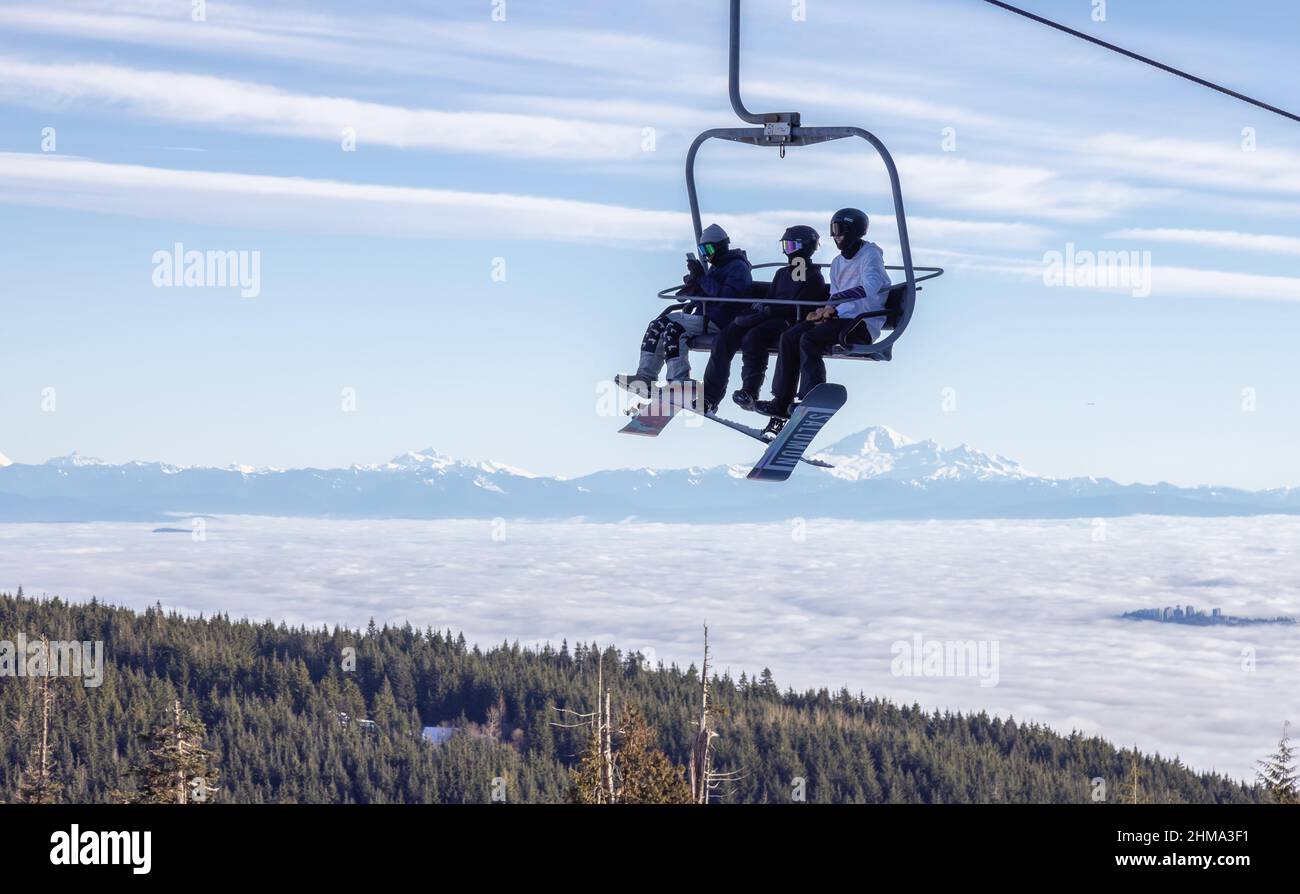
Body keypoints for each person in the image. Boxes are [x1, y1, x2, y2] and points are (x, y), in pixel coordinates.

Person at [755, 208, 891, 429]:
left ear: (853, 230)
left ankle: (810, 395)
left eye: (838, 230)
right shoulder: (838, 262)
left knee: (810, 339)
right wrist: (825, 310)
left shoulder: (870, 255)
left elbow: (871, 287)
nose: (835, 236)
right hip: (841, 319)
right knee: (790, 336)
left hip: (863, 322)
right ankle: (781, 401)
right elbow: (835, 297)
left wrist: (838, 300)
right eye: (832, 231)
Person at [699, 225, 826, 415]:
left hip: (788, 321)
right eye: (785, 246)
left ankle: (753, 389)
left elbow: (801, 304)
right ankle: (722, 394)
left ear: (805, 247)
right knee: (728, 334)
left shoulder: (811, 275)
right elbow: (771, 296)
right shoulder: (782, 273)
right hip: (770, 316)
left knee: (754, 336)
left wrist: (768, 311)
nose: (788, 252)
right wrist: (757, 310)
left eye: (791, 246)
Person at [615, 223, 751, 397]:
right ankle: (645, 376)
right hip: (706, 316)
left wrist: (702, 279)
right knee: (657, 325)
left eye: (708, 249)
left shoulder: (738, 267)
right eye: (703, 250)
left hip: (724, 320)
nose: (707, 255)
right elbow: (707, 294)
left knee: (675, 328)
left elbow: (728, 298)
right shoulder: (717, 268)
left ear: (721, 246)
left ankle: (679, 381)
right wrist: (694, 284)